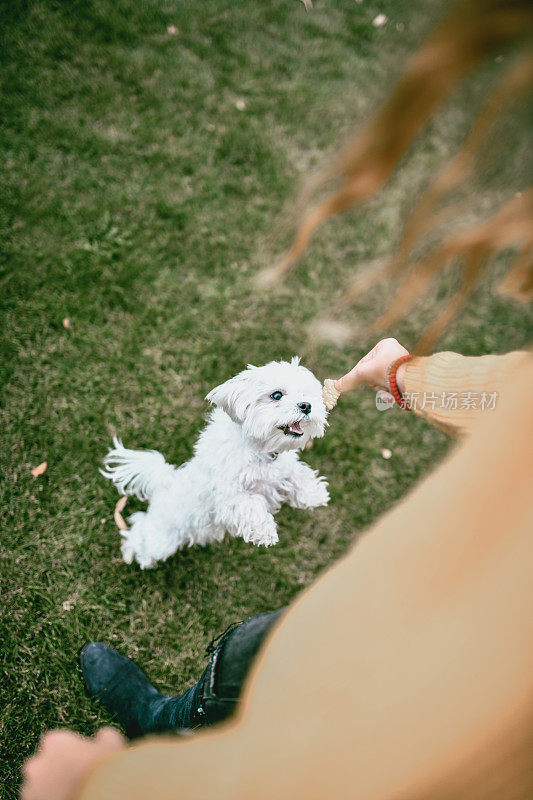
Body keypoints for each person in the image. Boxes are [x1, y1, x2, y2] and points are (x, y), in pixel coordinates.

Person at [21, 0, 533, 797]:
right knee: (177, 553)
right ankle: (147, 572)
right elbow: (515, 394)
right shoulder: (229, 445)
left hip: (361, 665)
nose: (299, 417)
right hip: (193, 510)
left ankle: (162, 726)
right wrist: (404, 376)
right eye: (281, 405)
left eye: (302, 407)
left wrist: (94, 788)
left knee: (265, 657)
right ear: (240, 406)